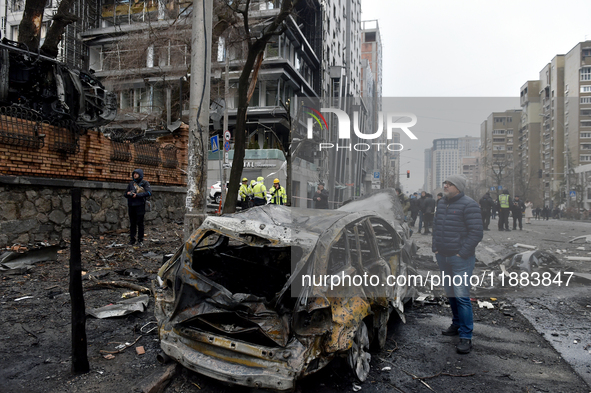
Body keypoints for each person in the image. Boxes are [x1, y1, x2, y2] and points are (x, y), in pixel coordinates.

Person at [432, 174, 483, 355]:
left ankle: (466, 337)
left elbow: (476, 232)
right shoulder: (441, 203)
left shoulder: (469, 204)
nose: (445, 185)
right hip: (443, 256)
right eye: (445, 182)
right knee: (451, 294)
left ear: (458, 187)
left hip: (460, 258)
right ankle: (456, 324)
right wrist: (435, 248)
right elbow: (436, 227)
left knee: (461, 296)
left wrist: (462, 253)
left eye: (449, 184)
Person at [125, 168, 152, 246]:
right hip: (131, 205)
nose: (135, 175)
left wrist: (137, 195)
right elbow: (125, 194)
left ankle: (140, 240)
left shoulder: (144, 183)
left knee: (140, 223)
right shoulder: (131, 184)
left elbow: (149, 192)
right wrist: (128, 193)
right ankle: (132, 239)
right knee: (132, 223)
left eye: (136, 174)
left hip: (140, 205)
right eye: (134, 174)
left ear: (140, 175)